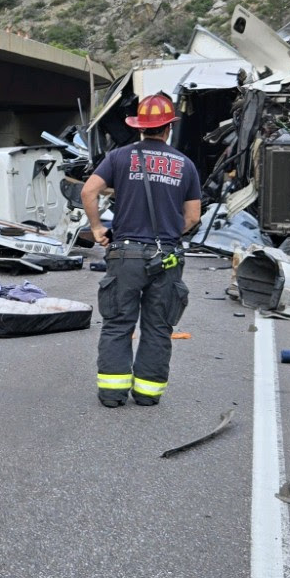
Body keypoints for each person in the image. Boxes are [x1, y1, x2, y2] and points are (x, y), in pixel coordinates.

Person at [81, 93, 203, 408]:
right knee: (158, 327)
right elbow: (193, 217)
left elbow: (88, 191)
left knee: (118, 323)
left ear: (140, 127)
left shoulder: (119, 158)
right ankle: (148, 393)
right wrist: (168, 236)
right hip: (167, 257)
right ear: (168, 128)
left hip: (125, 255)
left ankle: (112, 393)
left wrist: (97, 228)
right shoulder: (185, 165)